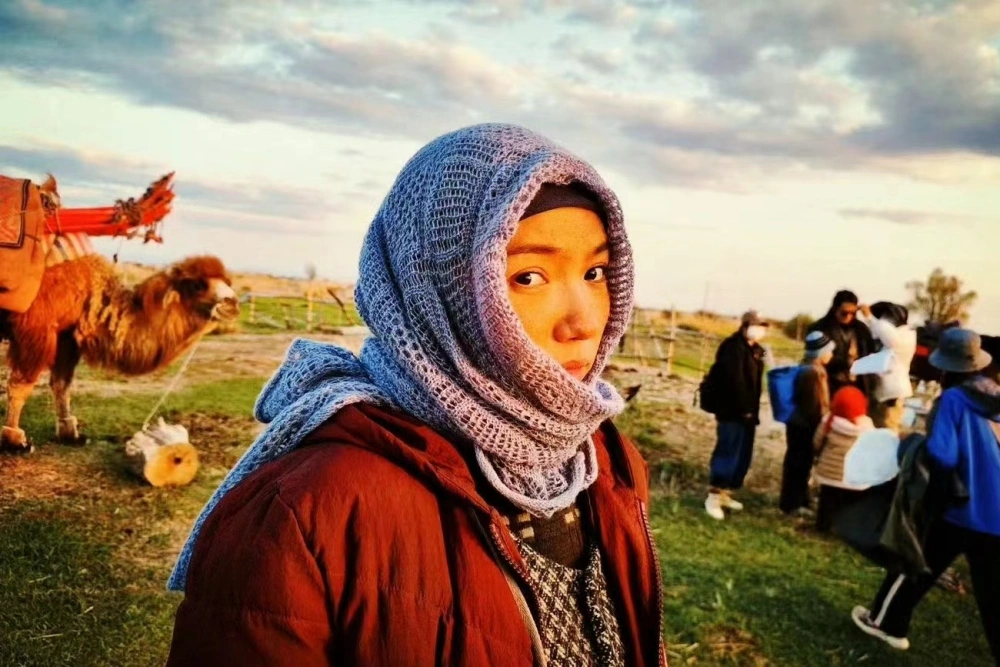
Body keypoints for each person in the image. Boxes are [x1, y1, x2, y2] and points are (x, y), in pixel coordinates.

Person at [164, 124, 666, 666]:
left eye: (595, 272)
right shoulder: (309, 510)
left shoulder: (607, 463)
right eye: (529, 277)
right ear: (436, 290)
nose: (584, 322)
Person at [852, 329, 999, 659]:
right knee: (993, 596)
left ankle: (886, 624)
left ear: (946, 366)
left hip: (962, 508)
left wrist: (911, 443)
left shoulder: (953, 399)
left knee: (914, 564)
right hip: (997, 515)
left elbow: (943, 455)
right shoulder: (995, 395)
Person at [704, 310, 768, 521]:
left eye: (763, 326)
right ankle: (713, 497)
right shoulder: (732, 347)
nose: (759, 329)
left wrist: (750, 411)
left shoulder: (756, 350)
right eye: (756, 324)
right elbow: (733, 382)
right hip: (731, 412)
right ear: (745, 325)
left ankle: (725, 494)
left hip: (749, 414)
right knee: (726, 453)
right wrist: (742, 409)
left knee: (741, 456)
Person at [812, 386, 898, 533]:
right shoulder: (866, 425)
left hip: (829, 474)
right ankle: (844, 527)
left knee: (827, 501)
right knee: (848, 502)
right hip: (852, 476)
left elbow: (817, 442)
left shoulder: (829, 420)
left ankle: (823, 526)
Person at [779, 331, 835, 515]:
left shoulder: (806, 367)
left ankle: (798, 500)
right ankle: (793, 504)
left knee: (798, 462)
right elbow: (813, 405)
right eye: (829, 351)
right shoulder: (813, 373)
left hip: (796, 422)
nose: (831, 354)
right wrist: (823, 424)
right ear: (820, 352)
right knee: (799, 464)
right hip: (805, 426)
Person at [854, 302, 917, 432]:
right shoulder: (897, 336)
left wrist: (869, 317)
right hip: (884, 393)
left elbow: (886, 333)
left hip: (891, 395)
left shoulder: (903, 338)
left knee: (888, 430)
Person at [808, 290, 876, 398]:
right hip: (829, 385)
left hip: (857, 387)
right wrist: (846, 361)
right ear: (835, 309)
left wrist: (869, 317)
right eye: (844, 313)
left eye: (852, 313)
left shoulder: (862, 330)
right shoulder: (820, 328)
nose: (849, 316)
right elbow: (814, 359)